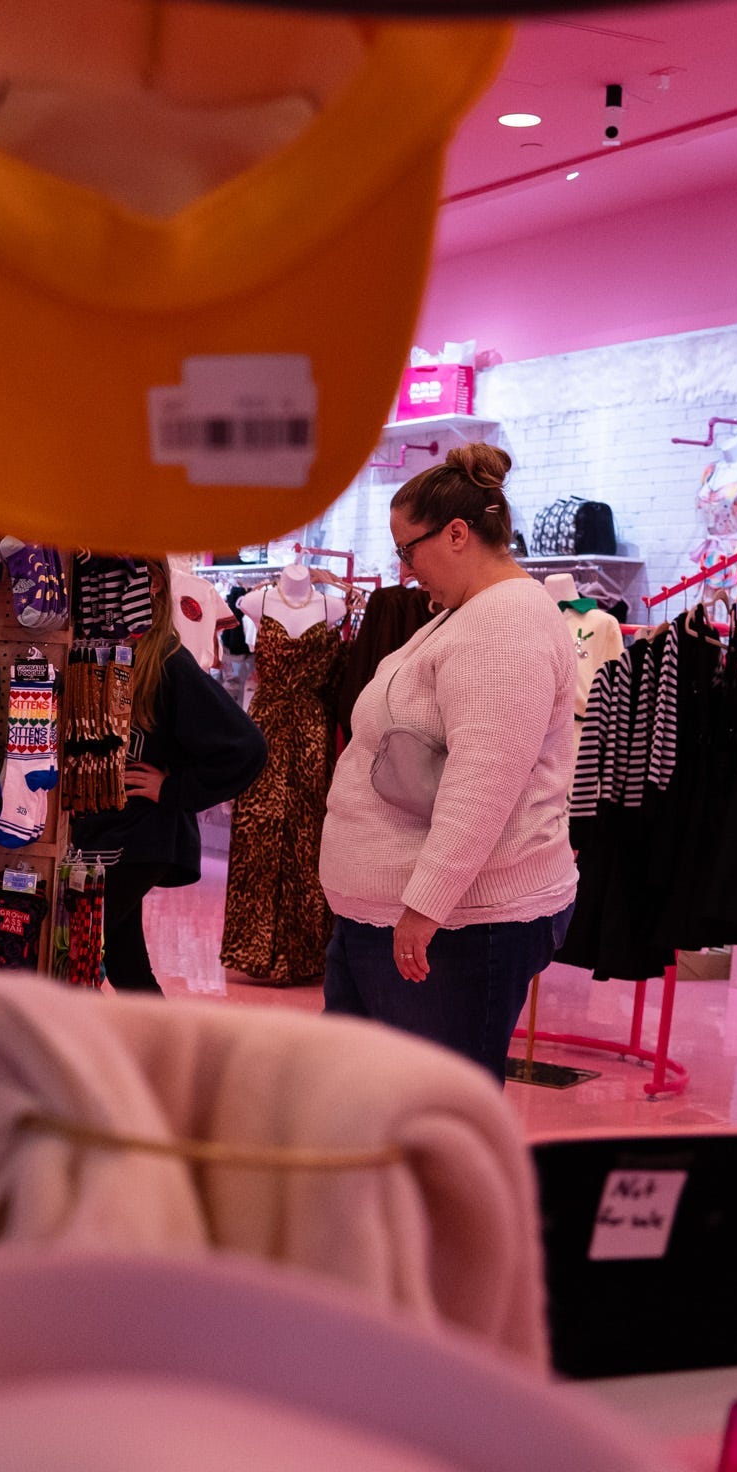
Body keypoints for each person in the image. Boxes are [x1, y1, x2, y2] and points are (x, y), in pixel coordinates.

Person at [320, 444, 580, 1073]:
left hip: (455, 927)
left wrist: (424, 906)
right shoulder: (464, 615)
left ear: (457, 533)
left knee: (427, 1126)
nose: (405, 569)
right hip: (398, 916)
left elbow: (483, 780)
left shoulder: (506, 621)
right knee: (361, 1111)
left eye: (408, 549)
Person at [75, 562, 266, 993]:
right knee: (125, 965)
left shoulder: (165, 659)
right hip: (106, 831)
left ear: (154, 584)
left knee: (76, 949)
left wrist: (174, 789)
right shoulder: (101, 650)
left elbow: (246, 747)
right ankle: (156, 1057)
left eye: (120, 576)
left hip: (136, 837)